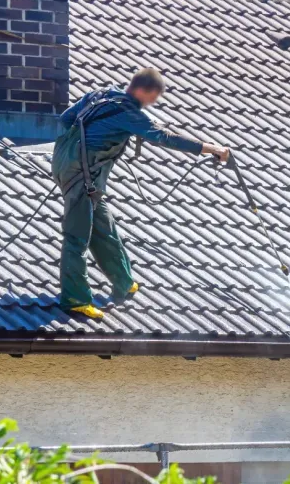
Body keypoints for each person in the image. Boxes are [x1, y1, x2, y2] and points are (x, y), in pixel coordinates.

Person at [51, 68, 231, 319]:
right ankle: (74, 299)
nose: (153, 103)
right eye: (154, 97)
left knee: (103, 225)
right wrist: (212, 148)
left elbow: (66, 118)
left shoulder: (101, 94)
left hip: (69, 167)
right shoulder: (129, 114)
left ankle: (124, 281)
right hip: (82, 176)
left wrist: (81, 147)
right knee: (76, 235)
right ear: (145, 91)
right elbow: (165, 137)